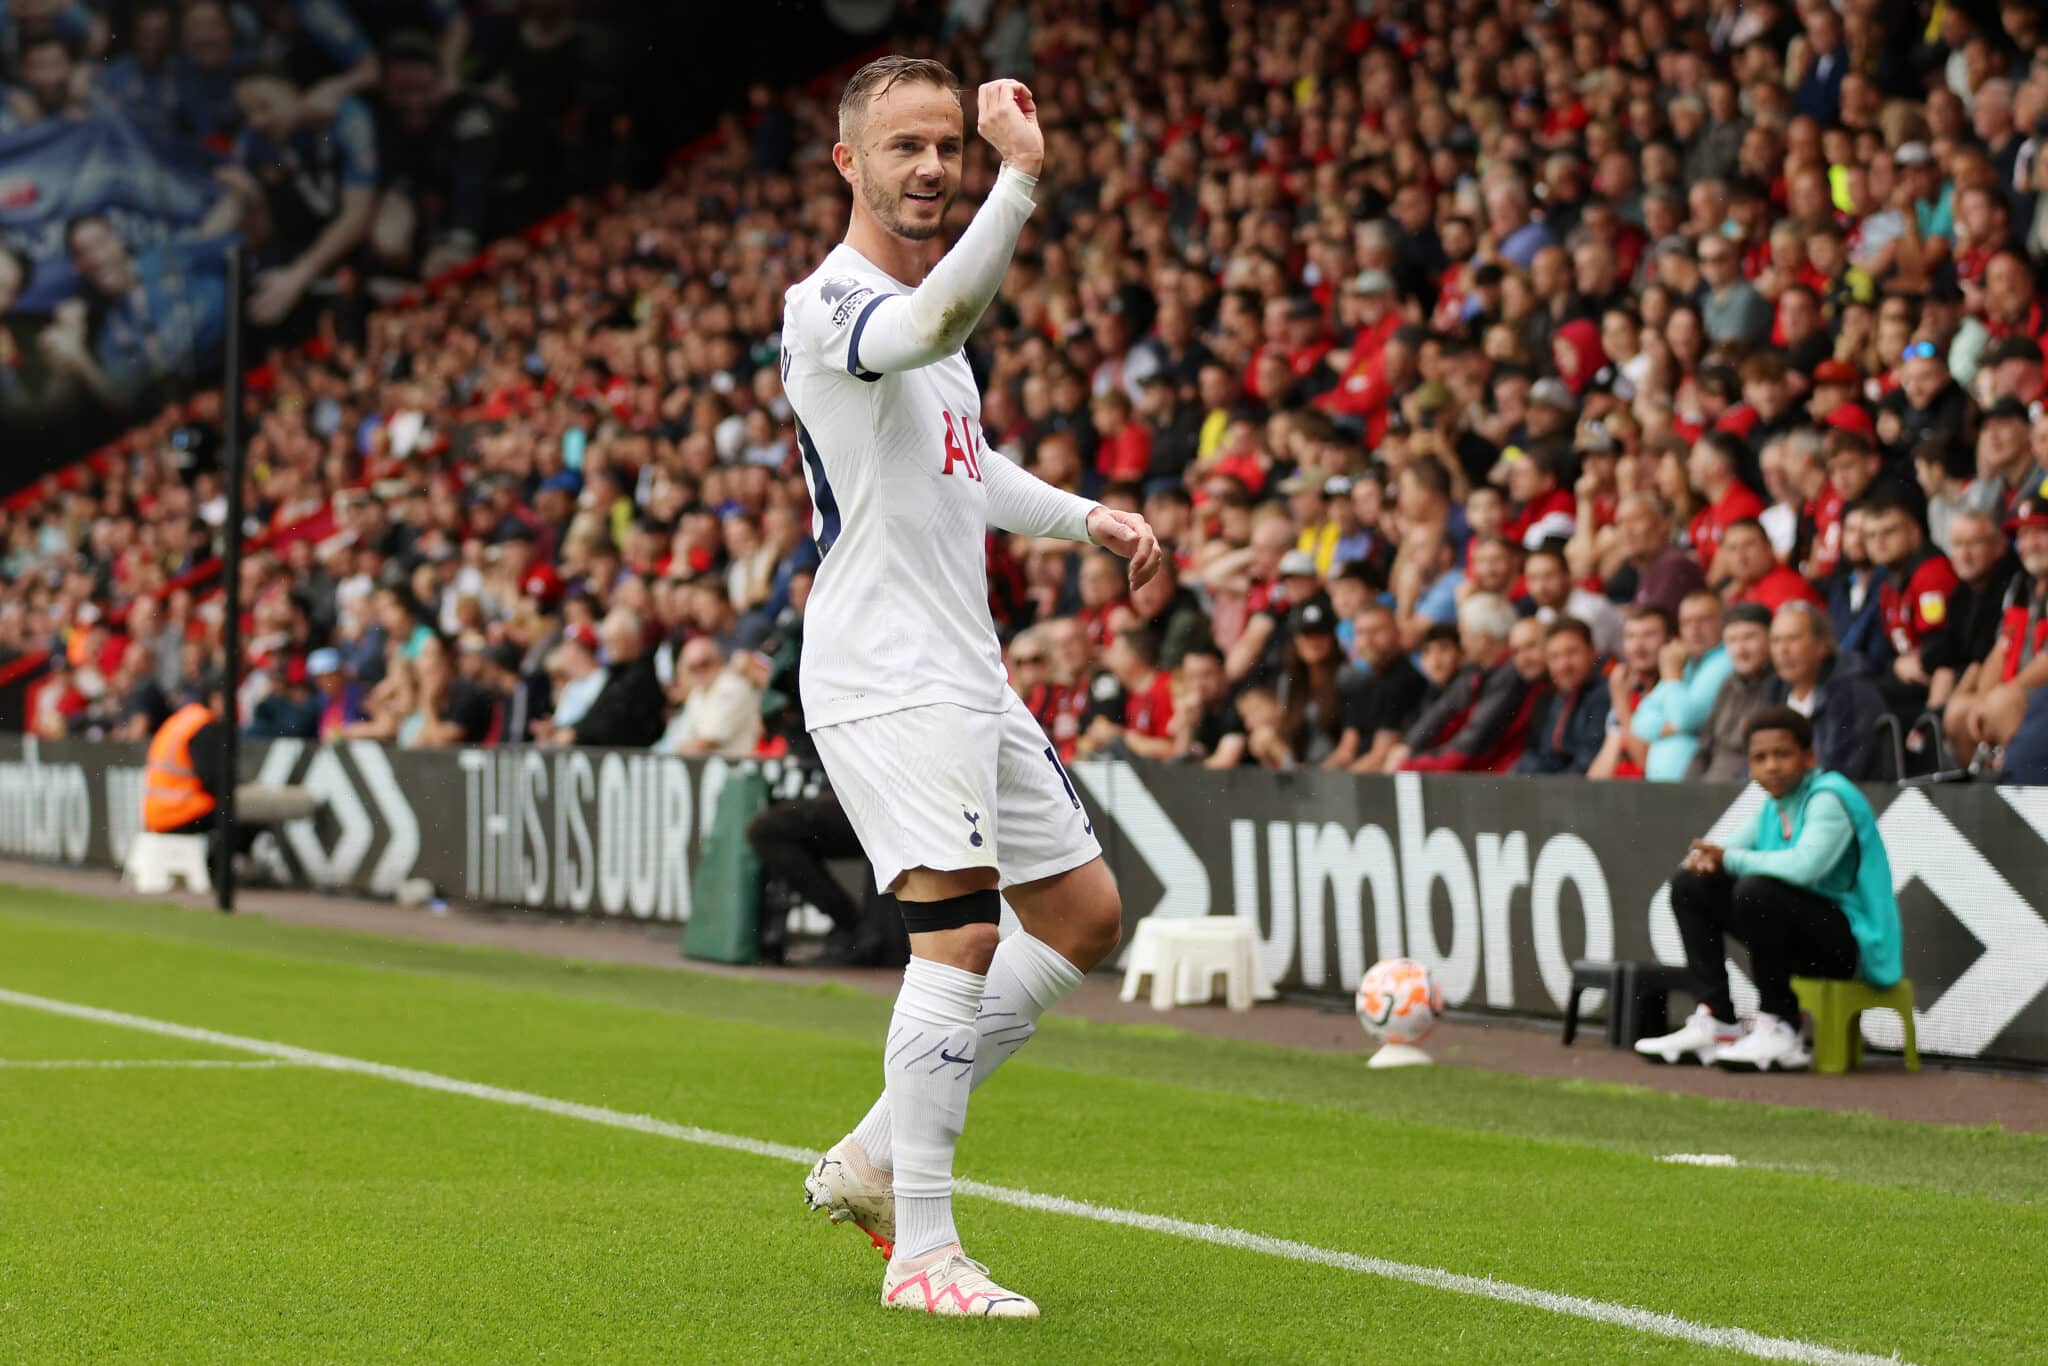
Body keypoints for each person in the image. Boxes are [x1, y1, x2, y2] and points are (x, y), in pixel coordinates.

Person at [783, 59, 1159, 1319]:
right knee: (958, 936)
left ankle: (875, 1156)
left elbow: (967, 462)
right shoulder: (829, 304)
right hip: (884, 673)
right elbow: (936, 325)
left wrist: (1085, 518)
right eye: (904, 146)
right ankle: (923, 1253)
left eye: (948, 145)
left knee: (1084, 915)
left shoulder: (933, 324)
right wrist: (1023, 178)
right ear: (849, 163)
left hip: (966, 669)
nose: (932, 167)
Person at [1636, 706, 1902, 1071]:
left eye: (1782, 754)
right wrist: (1704, 861)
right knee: (1690, 885)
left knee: (1756, 890)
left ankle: (1781, 1027)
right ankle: (1718, 1021)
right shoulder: (1773, 807)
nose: (1771, 766)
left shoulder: (1830, 797)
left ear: (1809, 757)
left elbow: (1805, 867)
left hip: (1853, 949)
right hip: (1804, 941)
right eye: (1759, 758)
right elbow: (1723, 851)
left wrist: (1727, 858)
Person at [141, 690, 320, 880]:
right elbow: (214, 780)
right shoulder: (203, 726)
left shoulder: (183, 719)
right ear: (215, 698)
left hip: (157, 813)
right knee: (247, 817)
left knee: (235, 813)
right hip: (181, 811)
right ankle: (220, 873)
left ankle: (217, 870)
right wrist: (244, 786)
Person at [1761, 601, 1885, 780]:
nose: (1783, 650)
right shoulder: (1773, 691)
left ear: (1822, 645)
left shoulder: (1854, 693)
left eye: (1793, 638)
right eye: (1776, 640)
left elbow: (1846, 772)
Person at [1630, 589, 1733, 780]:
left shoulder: (1725, 661)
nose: (1694, 629)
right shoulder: (1687, 663)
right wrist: (1670, 727)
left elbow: (1685, 717)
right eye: (1687, 622)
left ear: (1722, 622)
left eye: (1704, 620)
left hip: (1700, 785)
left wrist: (1670, 674)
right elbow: (1640, 722)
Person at [1684, 604, 1776, 783]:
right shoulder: (1727, 685)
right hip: (1708, 793)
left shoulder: (1779, 687)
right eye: (1732, 640)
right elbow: (1703, 750)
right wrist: (1685, 792)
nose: (1741, 650)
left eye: (1750, 637)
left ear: (1771, 638)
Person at [1514, 618, 1608, 775]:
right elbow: (1546, 757)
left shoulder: (1604, 696)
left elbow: (1586, 763)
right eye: (1554, 657)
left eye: (1571, 653)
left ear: (1592, 652)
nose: (1563, 665)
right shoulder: (1559, 696)